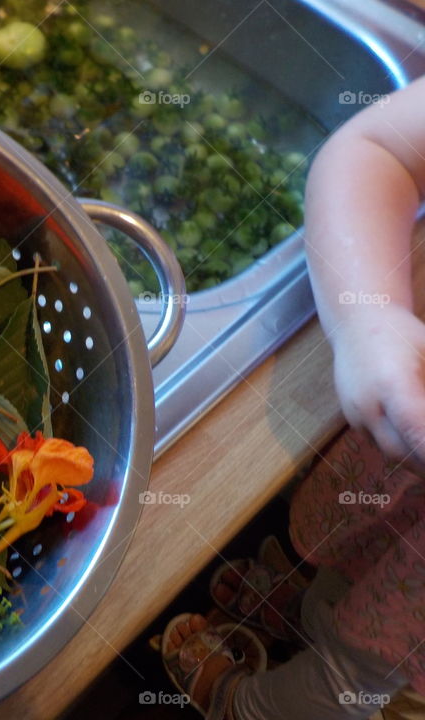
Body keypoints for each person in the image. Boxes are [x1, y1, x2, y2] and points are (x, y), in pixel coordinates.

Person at [164, 74, 425, 720]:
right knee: (354, 563)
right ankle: (315, 611)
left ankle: (242, 706)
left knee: (361, 670)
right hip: (390, 482)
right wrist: (368, 319)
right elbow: (381, 148)